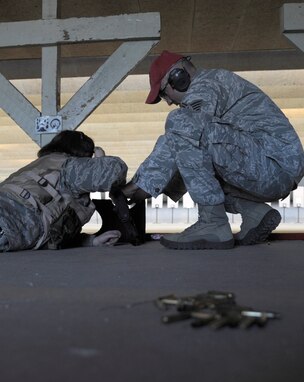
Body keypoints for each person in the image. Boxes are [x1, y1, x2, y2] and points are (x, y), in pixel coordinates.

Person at [122, 50, 304, 250]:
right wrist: (152, 187)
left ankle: (212, 223)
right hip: (267, 170)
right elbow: (185, 151)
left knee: (180, 121)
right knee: (196, 157)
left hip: (272, 167)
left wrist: (139, 186)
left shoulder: (208, 83)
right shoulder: (212, 84)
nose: (168, 101)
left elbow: (187, 130)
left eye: (164, 92)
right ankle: (255, 213)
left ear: (178, 77)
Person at [0, 130, 127, 252]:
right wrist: (101, 161)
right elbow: (115, 172)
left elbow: (50, 230)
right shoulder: (68, 166)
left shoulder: (42, 166)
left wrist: (91, 241)